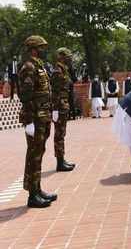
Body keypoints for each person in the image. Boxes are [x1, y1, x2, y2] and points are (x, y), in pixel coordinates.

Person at [18, 35, 57, 208]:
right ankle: (32, 195)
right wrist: (29, 121)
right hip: (35, 118)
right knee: (34, 155)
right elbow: (25, 96)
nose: (44, 50)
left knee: (39, 153)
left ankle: (37, 189)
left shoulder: (38, 66)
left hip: (43, 116)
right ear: (34, 49)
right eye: (41, 47)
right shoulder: (29, 67)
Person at [51, 48, 76, 172]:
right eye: (67, 56)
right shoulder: (57, 71)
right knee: (59, 135)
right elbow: (54, 91)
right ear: (60, 57)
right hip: (59, 106)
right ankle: (59, 163)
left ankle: (62, 159)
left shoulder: (64, 70)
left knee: (62, 134)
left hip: (63, 105)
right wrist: (55, 109)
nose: (69, 58)